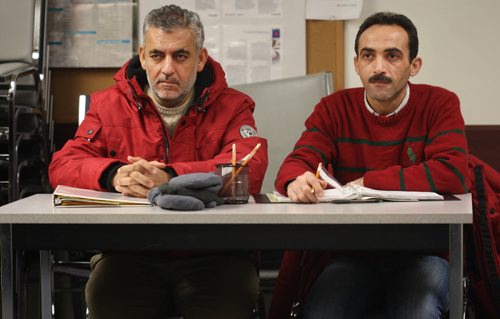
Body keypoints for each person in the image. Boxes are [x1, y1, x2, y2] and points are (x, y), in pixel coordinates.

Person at [49, 5, 268, 319]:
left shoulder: (233, 106)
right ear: (142, 56)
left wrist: (171, 177)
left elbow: (248, 170)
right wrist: (112, 174)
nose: (167, 69)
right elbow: (62, 165)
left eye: (180, 56)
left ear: (201, 58)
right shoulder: (107, 105)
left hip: (216, 254)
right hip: (127, 254)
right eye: (156, 56)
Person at [268, 12, 470, 319]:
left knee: (418, 312)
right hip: (352, 253)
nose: (379, 68)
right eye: (368, 56)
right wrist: (298, 179)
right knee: (321, 313)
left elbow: (453, 172)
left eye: (392, 56)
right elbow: (297, 161)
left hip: (424, 253)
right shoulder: (334, 108)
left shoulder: (439, 103)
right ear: (356, 64)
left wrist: (368, 182)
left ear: (414, 65)